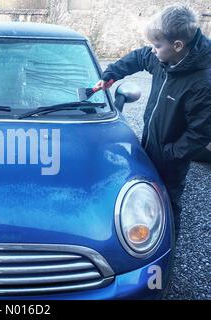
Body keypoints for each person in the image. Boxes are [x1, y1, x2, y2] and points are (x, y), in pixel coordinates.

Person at [95, 5, 211, 240]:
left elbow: (200, 132)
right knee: (145, 196)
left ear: (177, 46)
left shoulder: (202, 83)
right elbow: (139, 57)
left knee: (168, 202)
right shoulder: (163, 58)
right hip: (153, 144)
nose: (153, 50)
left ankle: (168, 246)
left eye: (157, 46)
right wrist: (111, 74)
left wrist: (170, 153)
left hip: (172, 159)